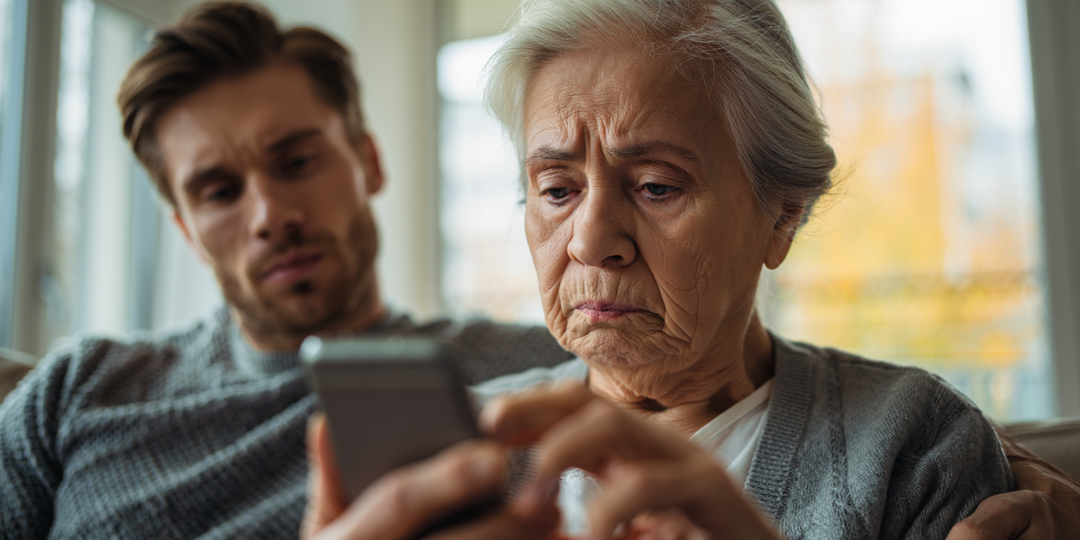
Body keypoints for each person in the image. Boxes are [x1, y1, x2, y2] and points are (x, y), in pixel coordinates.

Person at [303, 0, 1080, 539]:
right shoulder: (455, 447)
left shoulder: (914, 446)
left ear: (782, 214)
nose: (591, 240)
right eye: (557, 190)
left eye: (655, 186)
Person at [0, 3, 572, 538]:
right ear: (186, 232)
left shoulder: (552, 376)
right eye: (221, 192)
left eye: (297, 162)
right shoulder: (73, 392)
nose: (271, 216)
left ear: (368, 162)